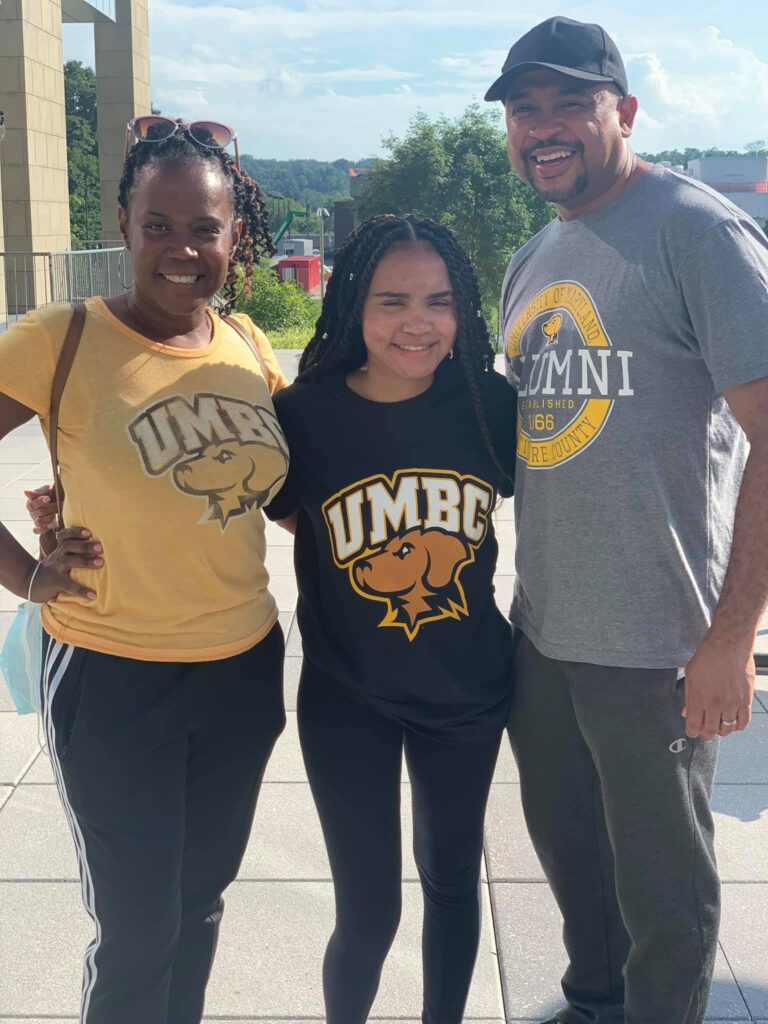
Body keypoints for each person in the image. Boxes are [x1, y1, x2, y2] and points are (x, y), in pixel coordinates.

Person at [484, 15, 768, 1024]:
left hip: (659, 642)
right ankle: (592, 1002)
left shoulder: (698, 231)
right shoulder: (532, 258)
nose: (544, 128)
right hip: (548, 631)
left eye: (570, 105)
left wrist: (732, 638)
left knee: (666, 893)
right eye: (526, 110)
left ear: (626, 113)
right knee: (570, 854)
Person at [0, 118, 289, 1024]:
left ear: (233, 233)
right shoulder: (62, 338)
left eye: (203, 227)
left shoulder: (247, 342)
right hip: (111, 674)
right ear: (123, 222)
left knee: (198, 910)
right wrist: (26, 575)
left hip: (242, 668)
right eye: (157, 225)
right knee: (136, 930)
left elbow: (283, 494)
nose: (181, 249)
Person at [263, 214, 517, 1024]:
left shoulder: (489, 403)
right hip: (348, 695)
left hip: (467, 691)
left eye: (440, 301)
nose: (419, 321)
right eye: (393, 299)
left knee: (450, 884)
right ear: (351, 305)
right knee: (368, 910)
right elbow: (283, 508)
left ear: (463, 311)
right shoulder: (304, 412)